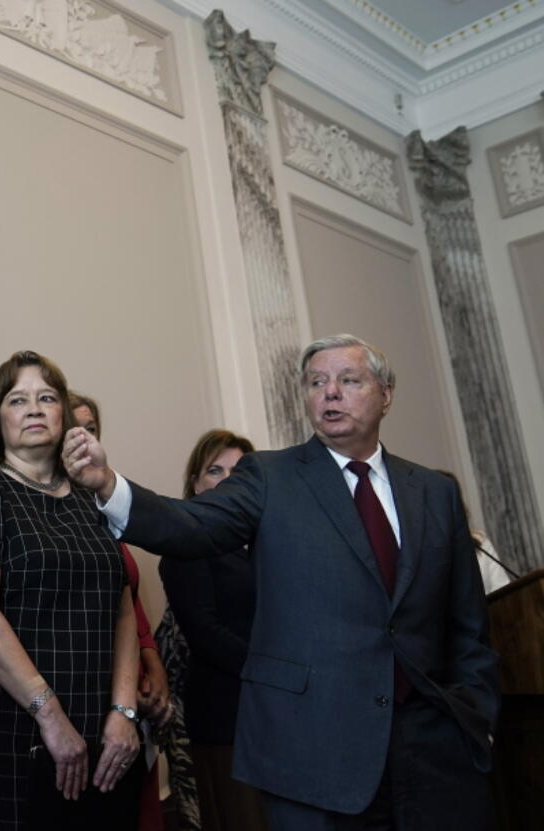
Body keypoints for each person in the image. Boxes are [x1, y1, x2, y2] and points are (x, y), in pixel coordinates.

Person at [63, 334, 499, 830]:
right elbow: (191, 523)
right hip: (313, 749)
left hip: (432, 748)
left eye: (348, 380)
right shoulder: (270, 477)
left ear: (386, 394)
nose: (330, 392)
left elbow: (468, 625)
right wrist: (109, 485)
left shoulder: (435, 492)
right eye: (317, 382)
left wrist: (476, 718)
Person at [0, 351, 141, 830]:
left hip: (103, 733)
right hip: (11, 732)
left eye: (46, 397)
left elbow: (125, 611)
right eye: (17, 399)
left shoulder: (93, 497)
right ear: (0, 419)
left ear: (65, 416)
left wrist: (123, 711)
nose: (33, 408)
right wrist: (50, 717)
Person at [69, 391, 171, 831]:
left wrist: (155, 671)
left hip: (131, 693)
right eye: (72, 427)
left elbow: (129, 607)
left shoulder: (107, 505)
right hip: (82, 698)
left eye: (90, 428)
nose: (82, 437)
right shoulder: (38, 507)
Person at [159, 429, 267, 831]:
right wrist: (275, 669)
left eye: (238, 472)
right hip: (228, 719)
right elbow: (205, 633)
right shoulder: (186, 544)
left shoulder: (270, 543)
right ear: (195, 484)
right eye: (214, 471)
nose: (226, 481)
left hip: (285, 716)